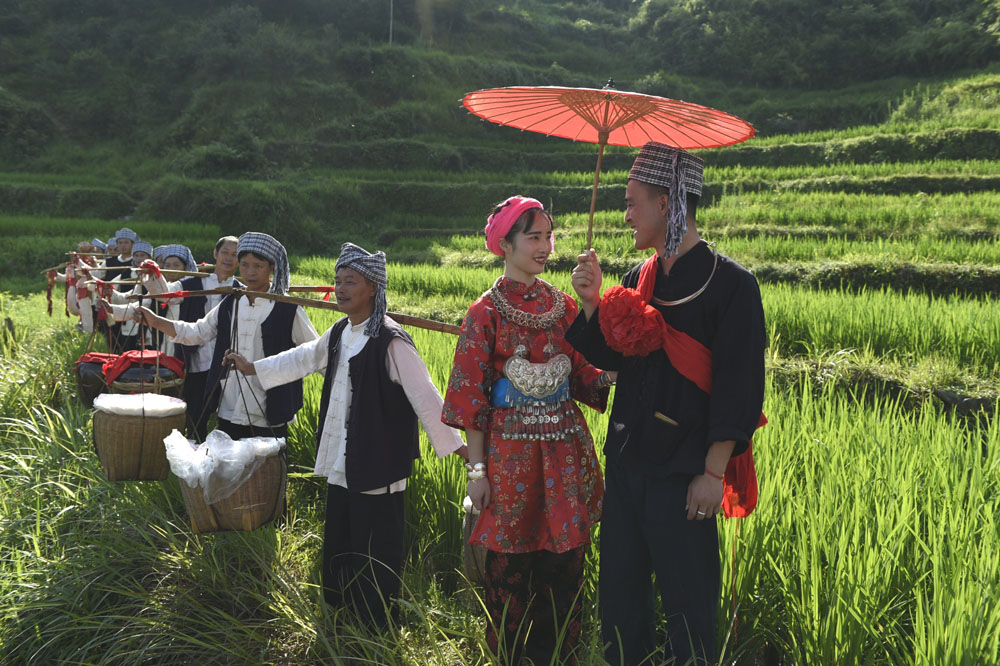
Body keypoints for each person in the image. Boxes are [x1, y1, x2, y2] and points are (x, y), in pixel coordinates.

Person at [566, 141, 766, 666]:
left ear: (666, 203)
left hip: (685, 472)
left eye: (633, 202)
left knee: (689, 602)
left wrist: (713, 471)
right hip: (629, 461)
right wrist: (592, 303)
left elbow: (739, 387)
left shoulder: (733, 286)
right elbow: (614, 357)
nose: (626, 214)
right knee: (621, 599)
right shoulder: (637, 281)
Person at [226, 242, 466, 630]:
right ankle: (339, 612)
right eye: (337, 280)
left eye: (349, 281)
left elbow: (426, 398)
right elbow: (303, 357)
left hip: (379, 464)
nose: (339, 288)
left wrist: (459, 448)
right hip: (343, 458)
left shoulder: (392, 341)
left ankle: (377, 625)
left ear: (372, 287)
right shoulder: (340, 331)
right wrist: (253, 367)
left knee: (376, 547)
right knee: (341, 536)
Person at [442, 196, 613, 665]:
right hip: (509, 461)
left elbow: (584, 372)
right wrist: (477, 471)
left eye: (548, 236)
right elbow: (470, 400)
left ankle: (561, 656)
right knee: (510, 574)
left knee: (564, 570)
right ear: (506, 244)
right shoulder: (484, 313)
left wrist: (615, 365)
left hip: (563, 456)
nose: (544, 245)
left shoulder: (563, 307)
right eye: (533, 236)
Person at [134, 232, 318, 440]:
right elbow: (198, 332)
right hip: (230, 402)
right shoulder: (231, 303)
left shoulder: (287, 308)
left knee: (265, 467)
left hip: (270, 405)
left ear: (272, 268)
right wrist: (155, 320)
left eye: (258, 266)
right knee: (230, 464)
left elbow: (314, 352)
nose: (250, 272)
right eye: (245, 265)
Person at [140, 237, 241, 440]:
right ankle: (195, 458)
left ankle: (224, 461)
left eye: (235, 255)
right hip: (196, 362)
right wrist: (152, 273)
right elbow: (165, 294)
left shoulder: (241, 290)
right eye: (225, 252)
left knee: (229, 419)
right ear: (215, 253)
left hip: (228, 365)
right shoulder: (194, 282)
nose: (229, 258)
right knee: (196, 415)